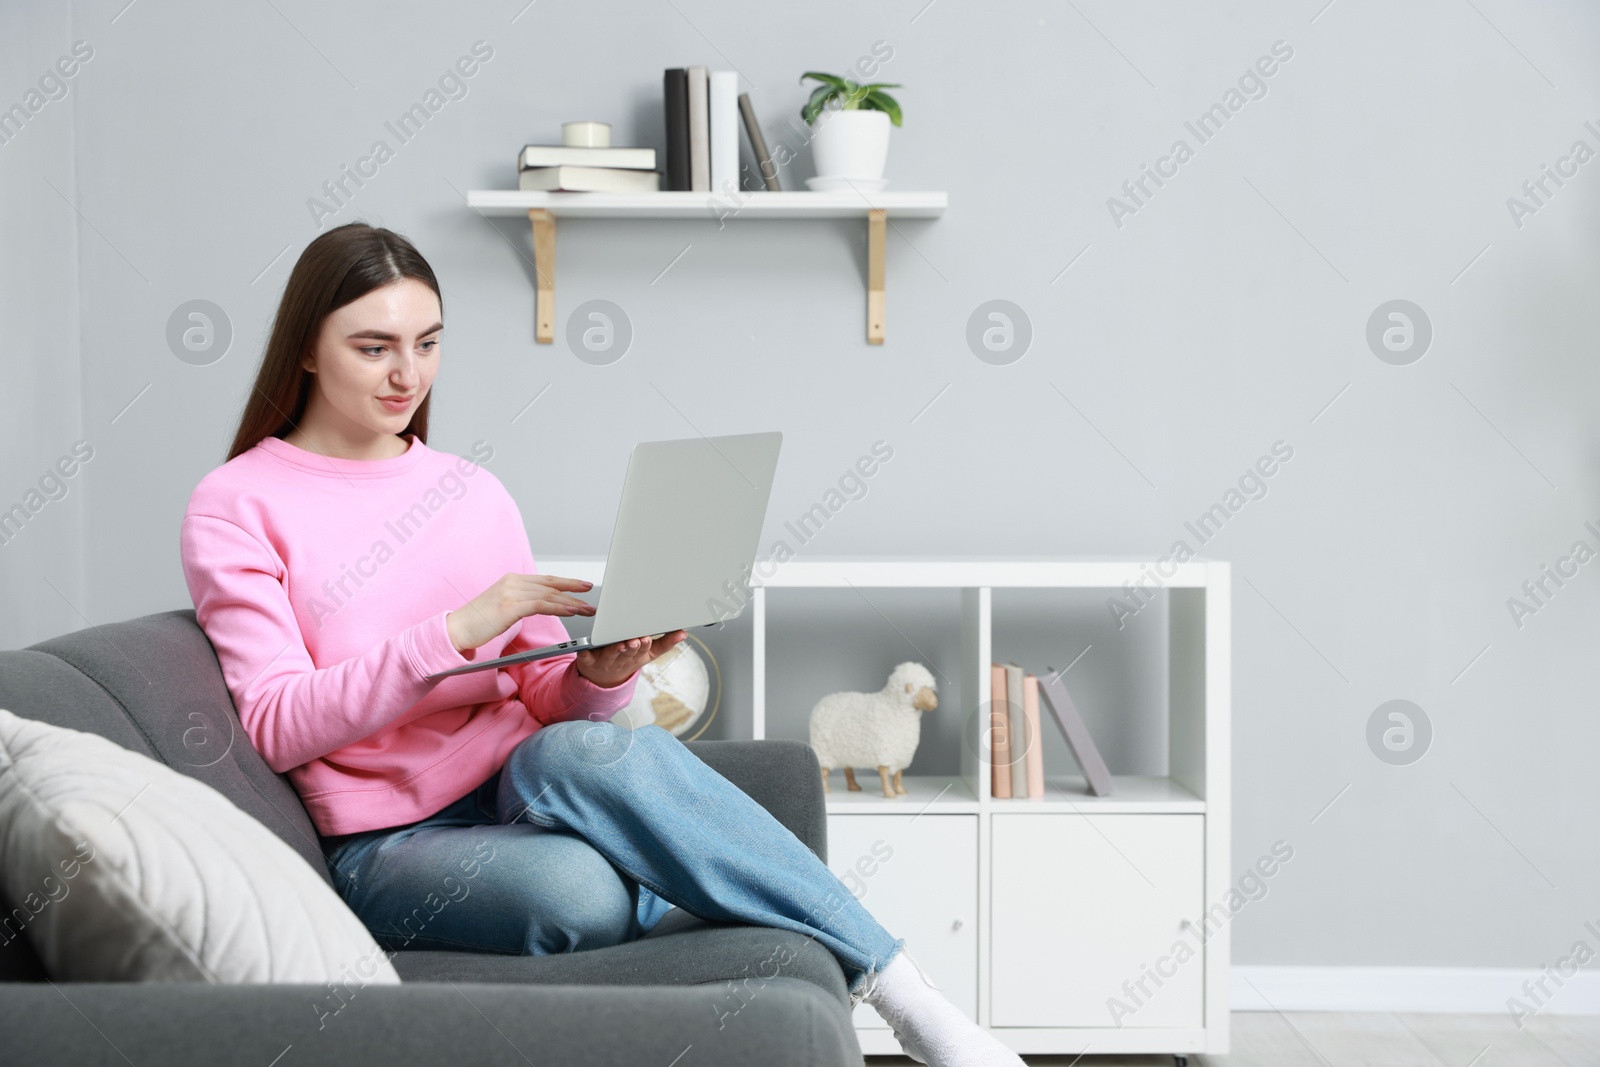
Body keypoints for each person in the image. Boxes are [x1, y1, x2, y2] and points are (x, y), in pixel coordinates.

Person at [179, 221, 1024, 1067]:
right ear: (307, 351)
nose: (409, 375)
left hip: (528, 781)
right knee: (575, 891)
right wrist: (456, 631)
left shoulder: (468, 491)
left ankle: (905, 992)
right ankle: (692, 865)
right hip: (390, 842)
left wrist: (599, 673)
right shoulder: (238, 503)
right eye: (374, 348)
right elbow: (278, 722)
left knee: (584, 750)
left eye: (428, 343)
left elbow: (545, 693)